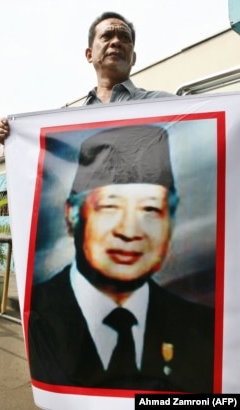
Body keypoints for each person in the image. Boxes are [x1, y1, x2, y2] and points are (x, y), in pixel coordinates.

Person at [28, 125, 215, 392]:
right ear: (72, 215)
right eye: (110, 207)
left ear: (171, 219)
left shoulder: (203, 327)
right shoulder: (37, 311)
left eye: (150, 209)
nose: (129, 231)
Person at [0, 11, 173, 145]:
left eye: (125, 38)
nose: (116, 42)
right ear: (89, 54)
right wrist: (14, 140)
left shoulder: (167, 106)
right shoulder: (67, 125)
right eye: (107, 36)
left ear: (133, 58)